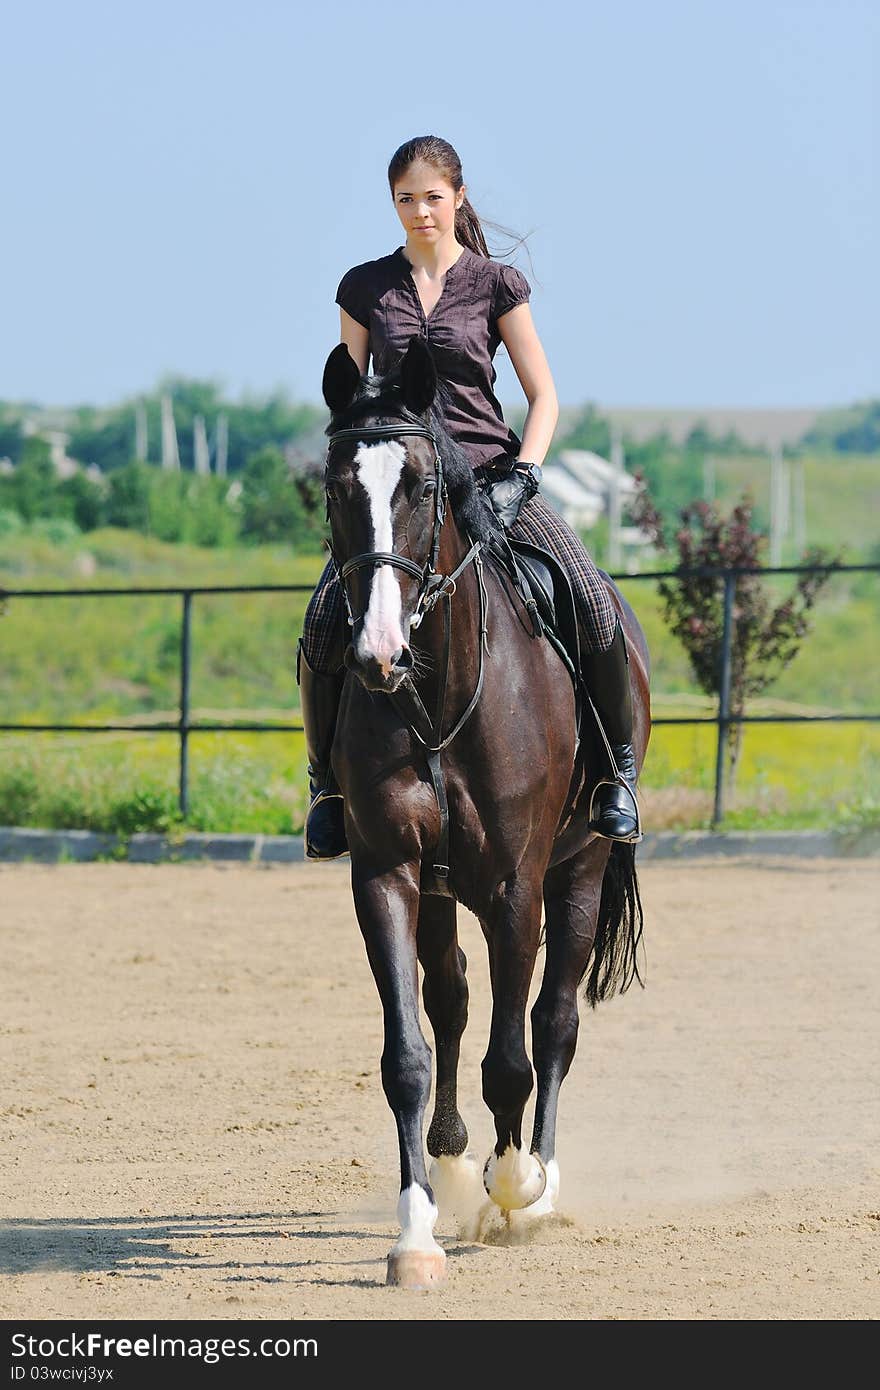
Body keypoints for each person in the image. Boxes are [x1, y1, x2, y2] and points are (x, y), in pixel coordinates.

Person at [298, 134, 639, 858]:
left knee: (589, 595)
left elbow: (543, 397)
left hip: (490, 477)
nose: (419, 211)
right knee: (327, 616)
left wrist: (527, 474)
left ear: (457, 196)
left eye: (431, 197)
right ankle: (325, 785)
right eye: (405, 199)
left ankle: (617, 774)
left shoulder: (496, 284)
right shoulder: (364, 287)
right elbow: (352, 401)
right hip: (403, 491)